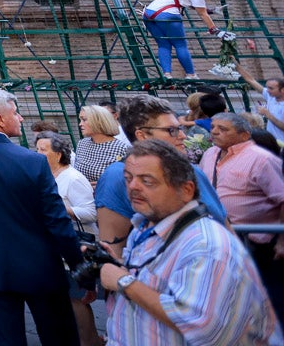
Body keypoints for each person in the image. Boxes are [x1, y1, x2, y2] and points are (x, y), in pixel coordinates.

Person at [100, 139, 282, 345]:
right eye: (128, 178)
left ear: (186, 190)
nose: (133, 186)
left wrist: (124, 282)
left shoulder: (206, 245)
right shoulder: (146, 224)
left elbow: (200, 325)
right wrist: (119, 267)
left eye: (147, 181)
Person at [0, 87, 82, 346]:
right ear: (0, 118)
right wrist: (78, 264)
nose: (20, 118)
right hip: (41, 267)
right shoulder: (33, 161)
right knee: (59, 338)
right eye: (15, 112)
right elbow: (57, 220)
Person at [95, 94, 228, 256]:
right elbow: (112, 248)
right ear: (142, 136)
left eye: (179, 128)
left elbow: (225, 225)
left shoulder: (193, 171)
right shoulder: (117, 175)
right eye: (171, 130)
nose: (182, 136)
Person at [199, 112, 284, 317]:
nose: (215, 132)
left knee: (268, 298)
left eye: (223, 129)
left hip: (259, 245)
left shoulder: (262, 159)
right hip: (220, 240)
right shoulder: (210, 154)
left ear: (244, 135)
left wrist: (282, 240)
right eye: (213, 127)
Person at [34, 132, 104, 346]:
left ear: (58, 153)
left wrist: (65, 210)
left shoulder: (73, 178)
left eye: (42, 149)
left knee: (77, 300)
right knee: (65, 299)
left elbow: (91, 212)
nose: (38, 153)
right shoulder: (46, 175)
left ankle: (89, 341)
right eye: (37, 149)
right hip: (54, 247)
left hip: (76, 245)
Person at [142, 0, 225, 80]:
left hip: (148, 15)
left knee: (163, 44)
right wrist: (214, 29)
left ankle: (167, 75)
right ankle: (191, 75)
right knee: (180, 45)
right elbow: (202, 13)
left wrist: (211, 10)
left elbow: (186, 3)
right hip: (168, 16)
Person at [73, 104, 130, 184]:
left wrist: (103, 186)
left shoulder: (122, 148)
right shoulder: (82, 144)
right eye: (80, 120)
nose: (80, 124)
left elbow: (127, 180)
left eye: (84, 120)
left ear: (99, 121)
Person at [244, 75, 284, 143]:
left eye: (271, 88)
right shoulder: (271, 97)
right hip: (272, 141)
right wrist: (234, 65)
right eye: (267, 87)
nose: (267, 90)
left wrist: (267, 114)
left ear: (282, 90)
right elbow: (251, 80)